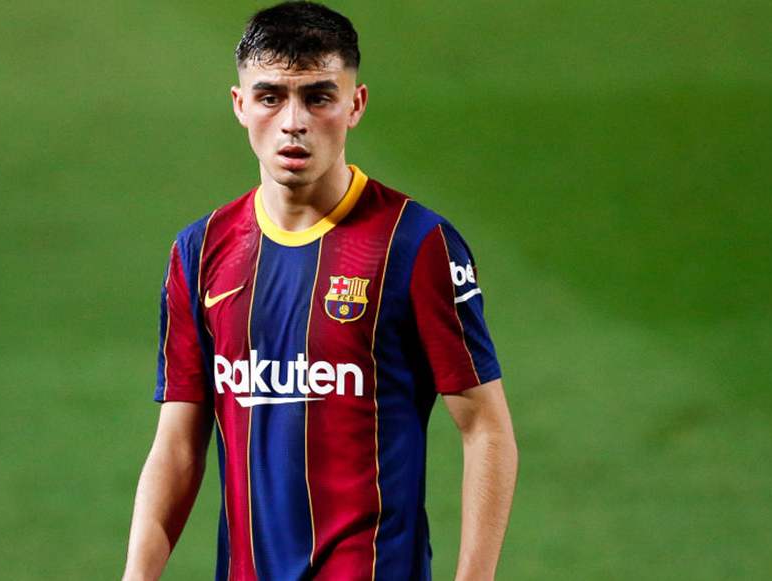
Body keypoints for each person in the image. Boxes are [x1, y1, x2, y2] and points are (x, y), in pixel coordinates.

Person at [122, 3, 517, 580]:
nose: (293, 122)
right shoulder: (200, 251)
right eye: (270, 97)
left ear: (355, 104)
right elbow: (178, 445)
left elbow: (485, 426)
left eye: (318, 98)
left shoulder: (415, 244)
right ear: (239, 105)